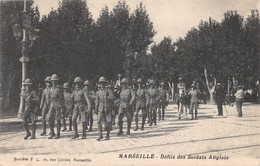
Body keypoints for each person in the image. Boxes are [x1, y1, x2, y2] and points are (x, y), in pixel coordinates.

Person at [47, 74, 64, 139]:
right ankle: (52, 132)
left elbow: (62, 98)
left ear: (57, 82)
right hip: (52, 104)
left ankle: (58, 134)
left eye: (55, 81)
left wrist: (60, 105)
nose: (54, 82)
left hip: (57, 104)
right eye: (53, 81)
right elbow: (49, 98)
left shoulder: (58, 89)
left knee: (58, 119)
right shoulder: (50, 89)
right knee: (49, 119)